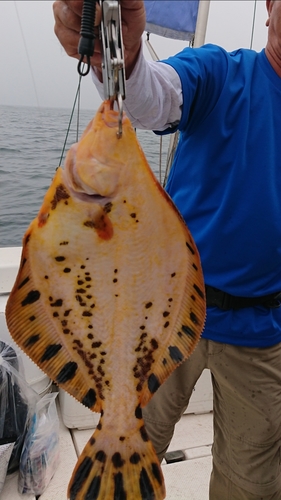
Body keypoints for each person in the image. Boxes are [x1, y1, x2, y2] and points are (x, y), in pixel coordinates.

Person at [53, 1, 281, 498]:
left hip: (262, 329)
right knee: (129, 448)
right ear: (269, 8)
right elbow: (153, 100)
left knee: (252, 484)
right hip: (158, 315)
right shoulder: (222, 72)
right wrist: (125, 58)